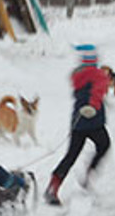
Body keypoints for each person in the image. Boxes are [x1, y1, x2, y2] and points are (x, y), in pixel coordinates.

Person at [44, 44, 111, 206]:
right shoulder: (98, 75)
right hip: (93, 120)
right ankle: (89, 174)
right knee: (104, 144)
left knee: (71, 155)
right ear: (95, 60)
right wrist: (93, 105)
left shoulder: (77, 75)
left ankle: (53, 187)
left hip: (78, 121)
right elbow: (97, 92)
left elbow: (85, 93)